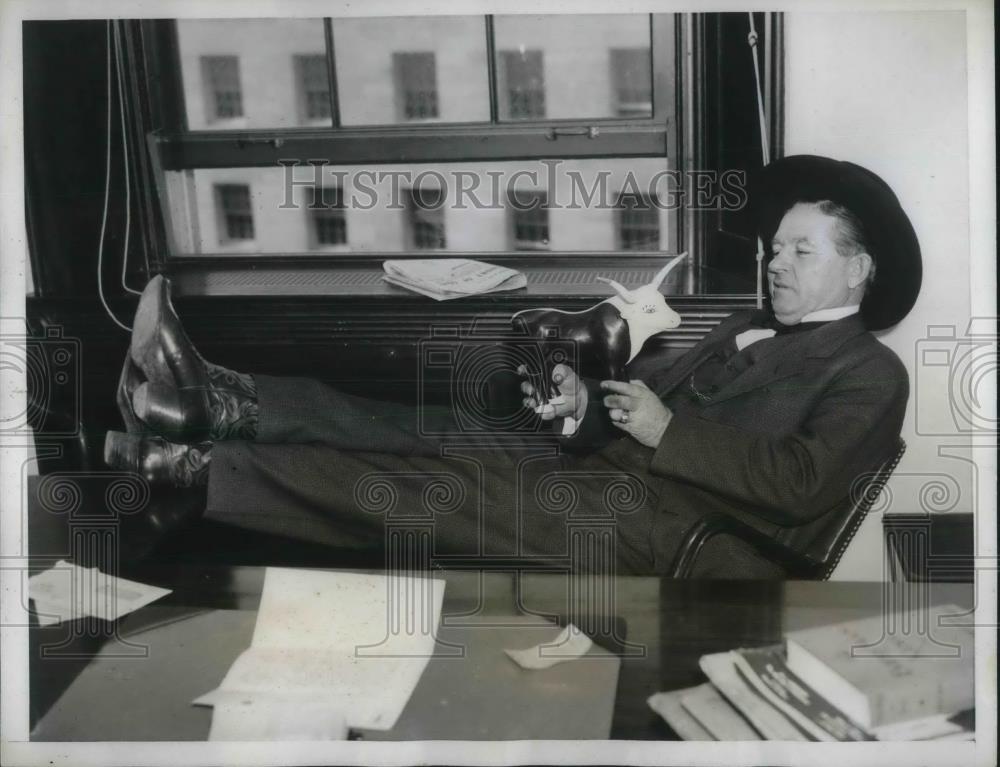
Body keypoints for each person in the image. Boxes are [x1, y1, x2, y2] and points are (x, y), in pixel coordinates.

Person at [104, 155, 921, 578]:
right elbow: (639, 411)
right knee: (422, 427)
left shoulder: (870, 374)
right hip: (616, 475)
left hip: (684, 537)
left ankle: (195, 467)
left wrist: (663, 428)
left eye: (800, 251)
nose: (777, 264)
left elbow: (802, 483)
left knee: (428, 490)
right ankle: (217, 400)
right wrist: (580, 409)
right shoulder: (744, 326)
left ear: (858, 270)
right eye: (775, 249)